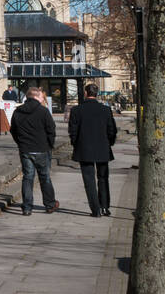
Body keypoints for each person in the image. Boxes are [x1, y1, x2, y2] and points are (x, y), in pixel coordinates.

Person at [68, 83, 118, 216]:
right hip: (102, 147)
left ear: (85, 93)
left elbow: (73, 131)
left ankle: (95, 209)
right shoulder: (105, 110)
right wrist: (109, 143)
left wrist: (76, 144)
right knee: (103, 178)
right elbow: (112, 129)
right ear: (97, 93)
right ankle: (104, 206)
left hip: (84, 148)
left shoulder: (76, 110)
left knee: (89, 180)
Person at [10, 85, 58, 216]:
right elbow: (51, 129)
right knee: (45, 177)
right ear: (35, 96)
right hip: (41, 148)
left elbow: (13, 130)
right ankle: (50, 204)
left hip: (26, 149)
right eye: (41, 96)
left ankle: (27, 207)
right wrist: (50, 144)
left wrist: (20, 143)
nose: (43, 99)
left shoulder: (18, 111)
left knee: (28, 177)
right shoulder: (43, 111)